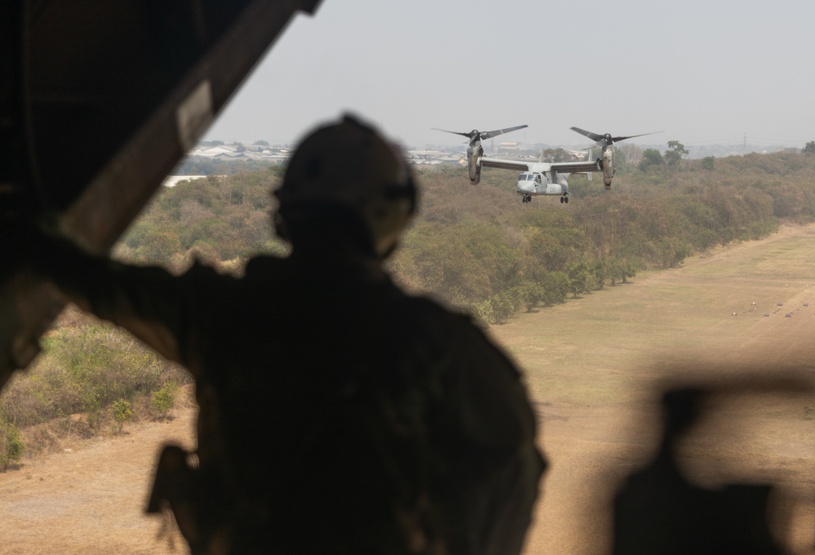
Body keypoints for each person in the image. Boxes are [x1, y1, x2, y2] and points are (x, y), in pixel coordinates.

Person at [25, 115, 545, 554]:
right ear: (394, 215)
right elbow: (512, 459)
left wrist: (34, 234)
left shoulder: (219, 313)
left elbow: (103, 286)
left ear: (285, 213)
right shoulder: (436, 341)